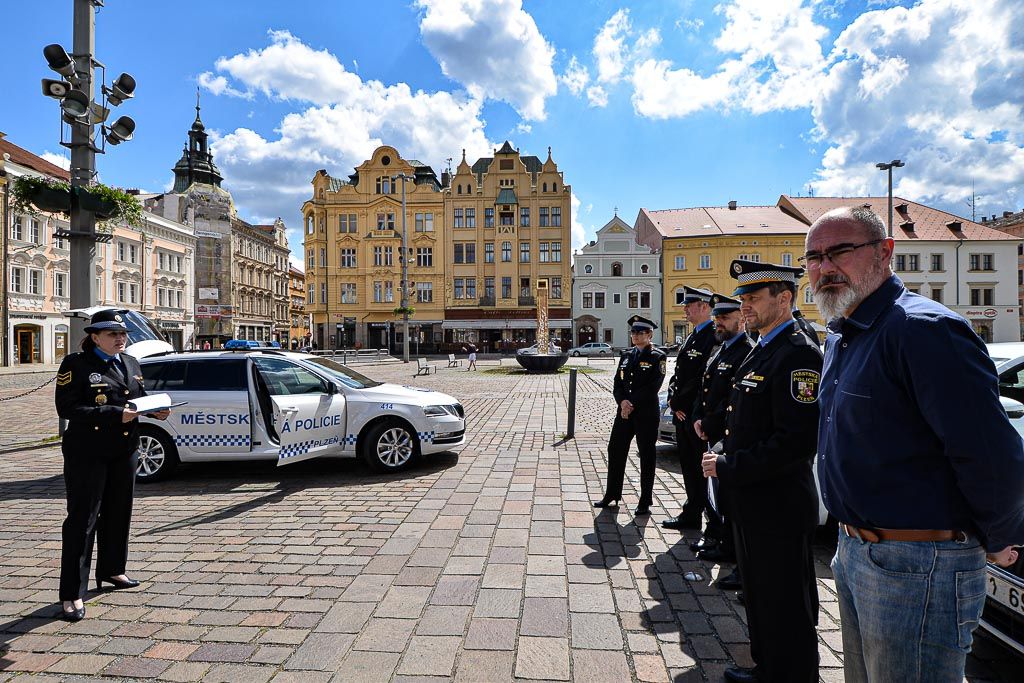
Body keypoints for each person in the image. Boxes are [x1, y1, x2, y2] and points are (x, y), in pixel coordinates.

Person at [807, 206, 1024, 682]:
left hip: (918, 565)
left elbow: (989, 451)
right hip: (856, 551)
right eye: (814, 257)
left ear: (886, 253)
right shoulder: (845, 335)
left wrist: (1001, 534)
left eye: (839, 252)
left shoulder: (921, 330)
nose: (824, 268)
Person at [702, 260, 822, 682]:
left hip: (779, 504)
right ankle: (768, 667)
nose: (745, 307)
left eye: (753, 298)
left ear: (785, 298)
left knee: (786, 602)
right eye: (743, 299)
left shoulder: (798, 352)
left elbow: (795, 442)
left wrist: (731, 465)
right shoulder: (764, 346)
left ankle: (790, 673)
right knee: (762, 596)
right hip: (755, 500)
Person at [54, 309, 171, 622]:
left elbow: (137, 398)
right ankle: (72, 593)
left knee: (119, 512)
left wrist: (154, 410)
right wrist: (113, 414)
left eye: (122, 334)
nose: (120, 338)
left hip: (124, 449)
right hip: (87, 452)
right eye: (112, 334)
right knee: (83, 519)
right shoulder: (76, 364)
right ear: (95, 337)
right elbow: (66, 407)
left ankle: (112, 570)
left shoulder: (130, 362)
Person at [689, 294, 754, 585]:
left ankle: (734, 553)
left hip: (724, 432)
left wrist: (710, 422)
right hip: (711, 430)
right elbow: (707, 389)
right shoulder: (722, 349)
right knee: (718, 495)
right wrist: (699, 418)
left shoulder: (745, 351)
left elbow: (731, 397)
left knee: (729, 497)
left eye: (725, 318)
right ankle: (724, 544)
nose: (719, 324)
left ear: (740, 319)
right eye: (717, 319)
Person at [594, 315, 666, 516]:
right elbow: (618, 383)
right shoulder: (626, 356)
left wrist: (630, 403)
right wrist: (622, 402)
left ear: (650, 334)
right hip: (624, 413)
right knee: (615, 449)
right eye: (633, 332)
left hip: (645, 414)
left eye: (640, 332)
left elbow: (653, 387)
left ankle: (645, 500)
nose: (635, 335)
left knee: (646, 455)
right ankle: (612, 494)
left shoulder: (657, 356)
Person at [662, 286, 717, 531]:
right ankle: (692, 511)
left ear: (704, 307)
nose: (684, 309)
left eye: (689, 305)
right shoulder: (693, 335)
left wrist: (682, 404)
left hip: (694, 413)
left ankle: (704, 514)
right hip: (681, 411)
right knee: (688, 465)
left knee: (699, 467)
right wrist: (672, 398)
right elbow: (679, 373)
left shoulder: (713, 336)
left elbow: (702, 378)